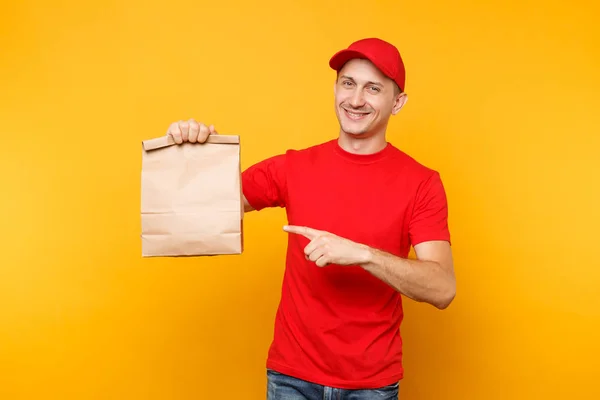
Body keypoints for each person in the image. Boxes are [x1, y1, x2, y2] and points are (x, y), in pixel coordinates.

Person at [165, 37, 456, 400]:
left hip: (372, 385)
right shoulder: (294, 167)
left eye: (373, 88)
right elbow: (196, 207)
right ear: (335, 88)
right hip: (291, 379)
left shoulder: (421, 183)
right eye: (348, 83)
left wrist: (363, 254)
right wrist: (189, 154)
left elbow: (443, 288)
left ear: (397, 102)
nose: (355, 100)